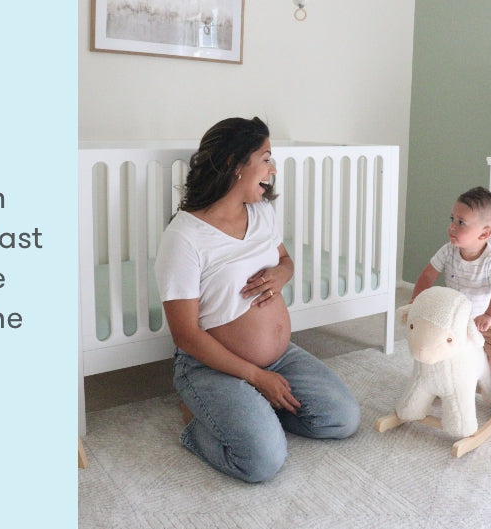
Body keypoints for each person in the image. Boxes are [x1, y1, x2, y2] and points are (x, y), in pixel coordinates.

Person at [153, 117, 360, 483]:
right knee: (262, 460)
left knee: (343, 417)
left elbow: (285, 261)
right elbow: (184, 335)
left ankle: (252, 411)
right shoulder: (184, 237)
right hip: (211, 367)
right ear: (235, 165)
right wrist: (256, 377)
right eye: (265, 158)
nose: (273, 169)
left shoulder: (262, 212)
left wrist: (282, 273)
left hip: (281, 357)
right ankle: (195, 418)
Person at [410, 186, 491, 418]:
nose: (452, 227)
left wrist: (490, 316)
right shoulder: (448, 251)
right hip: (456, 314)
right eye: (452, 219)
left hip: (490, 315)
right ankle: (442, 382)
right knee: (448, 350)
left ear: (484, 234)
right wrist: (415, 301)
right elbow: (427, 275)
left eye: (461, 223)